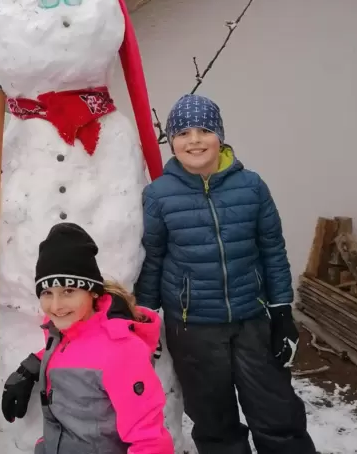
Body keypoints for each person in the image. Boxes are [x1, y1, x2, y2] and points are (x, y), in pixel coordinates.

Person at [134, 94, 316, 454]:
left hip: (252, 321)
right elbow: (152, 259)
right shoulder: (158, 195)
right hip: (193, 328)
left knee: (277, 413)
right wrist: (146, 319)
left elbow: (272, 250)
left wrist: (282, 313)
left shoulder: (251, 186)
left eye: (204, 130)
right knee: (214, 422)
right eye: (184, 132)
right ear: (172, 141)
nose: (195, 140)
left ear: (220, 136)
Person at [1, 223, 174, 454]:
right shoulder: (64, 333)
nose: (56, 306)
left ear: (92, 291)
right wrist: (30, 368)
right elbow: (74, 353)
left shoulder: (122, 350)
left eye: (68, 292)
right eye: (47, 293)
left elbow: (150, 440)